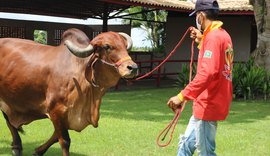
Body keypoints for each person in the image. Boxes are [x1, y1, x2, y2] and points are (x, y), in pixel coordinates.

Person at [167, 0, 234, 155]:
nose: (196, 19)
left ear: (201, 16)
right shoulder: (223, 35)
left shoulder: (213, 37)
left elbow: (207, 73)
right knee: (185, 146)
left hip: (208, 104)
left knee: (206, 152)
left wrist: (182, 96)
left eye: (196, 15)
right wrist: (202, 40)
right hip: (210, 103)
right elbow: (217, 61)